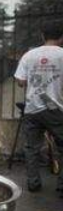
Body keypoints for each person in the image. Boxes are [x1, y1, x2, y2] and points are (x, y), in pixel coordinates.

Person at [14, 19, 63, 196]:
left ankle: (33, 183)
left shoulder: (29, 55)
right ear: (61, 37)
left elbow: (20, 81)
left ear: (43, 35)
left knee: (31, 148)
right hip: (56, 109)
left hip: (33, 109)